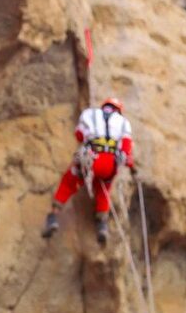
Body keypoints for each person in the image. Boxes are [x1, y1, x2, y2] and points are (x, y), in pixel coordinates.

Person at [41, 97, 134, 245]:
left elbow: (79, 135)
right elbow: (126, 148)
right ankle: (102, 225)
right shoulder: (124, 122)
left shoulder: (89, 114)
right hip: (109, 164)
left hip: (90, 158)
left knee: (69, 182)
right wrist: (130, 165)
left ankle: (53, 216)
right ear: (118, 110)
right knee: (104, 189)